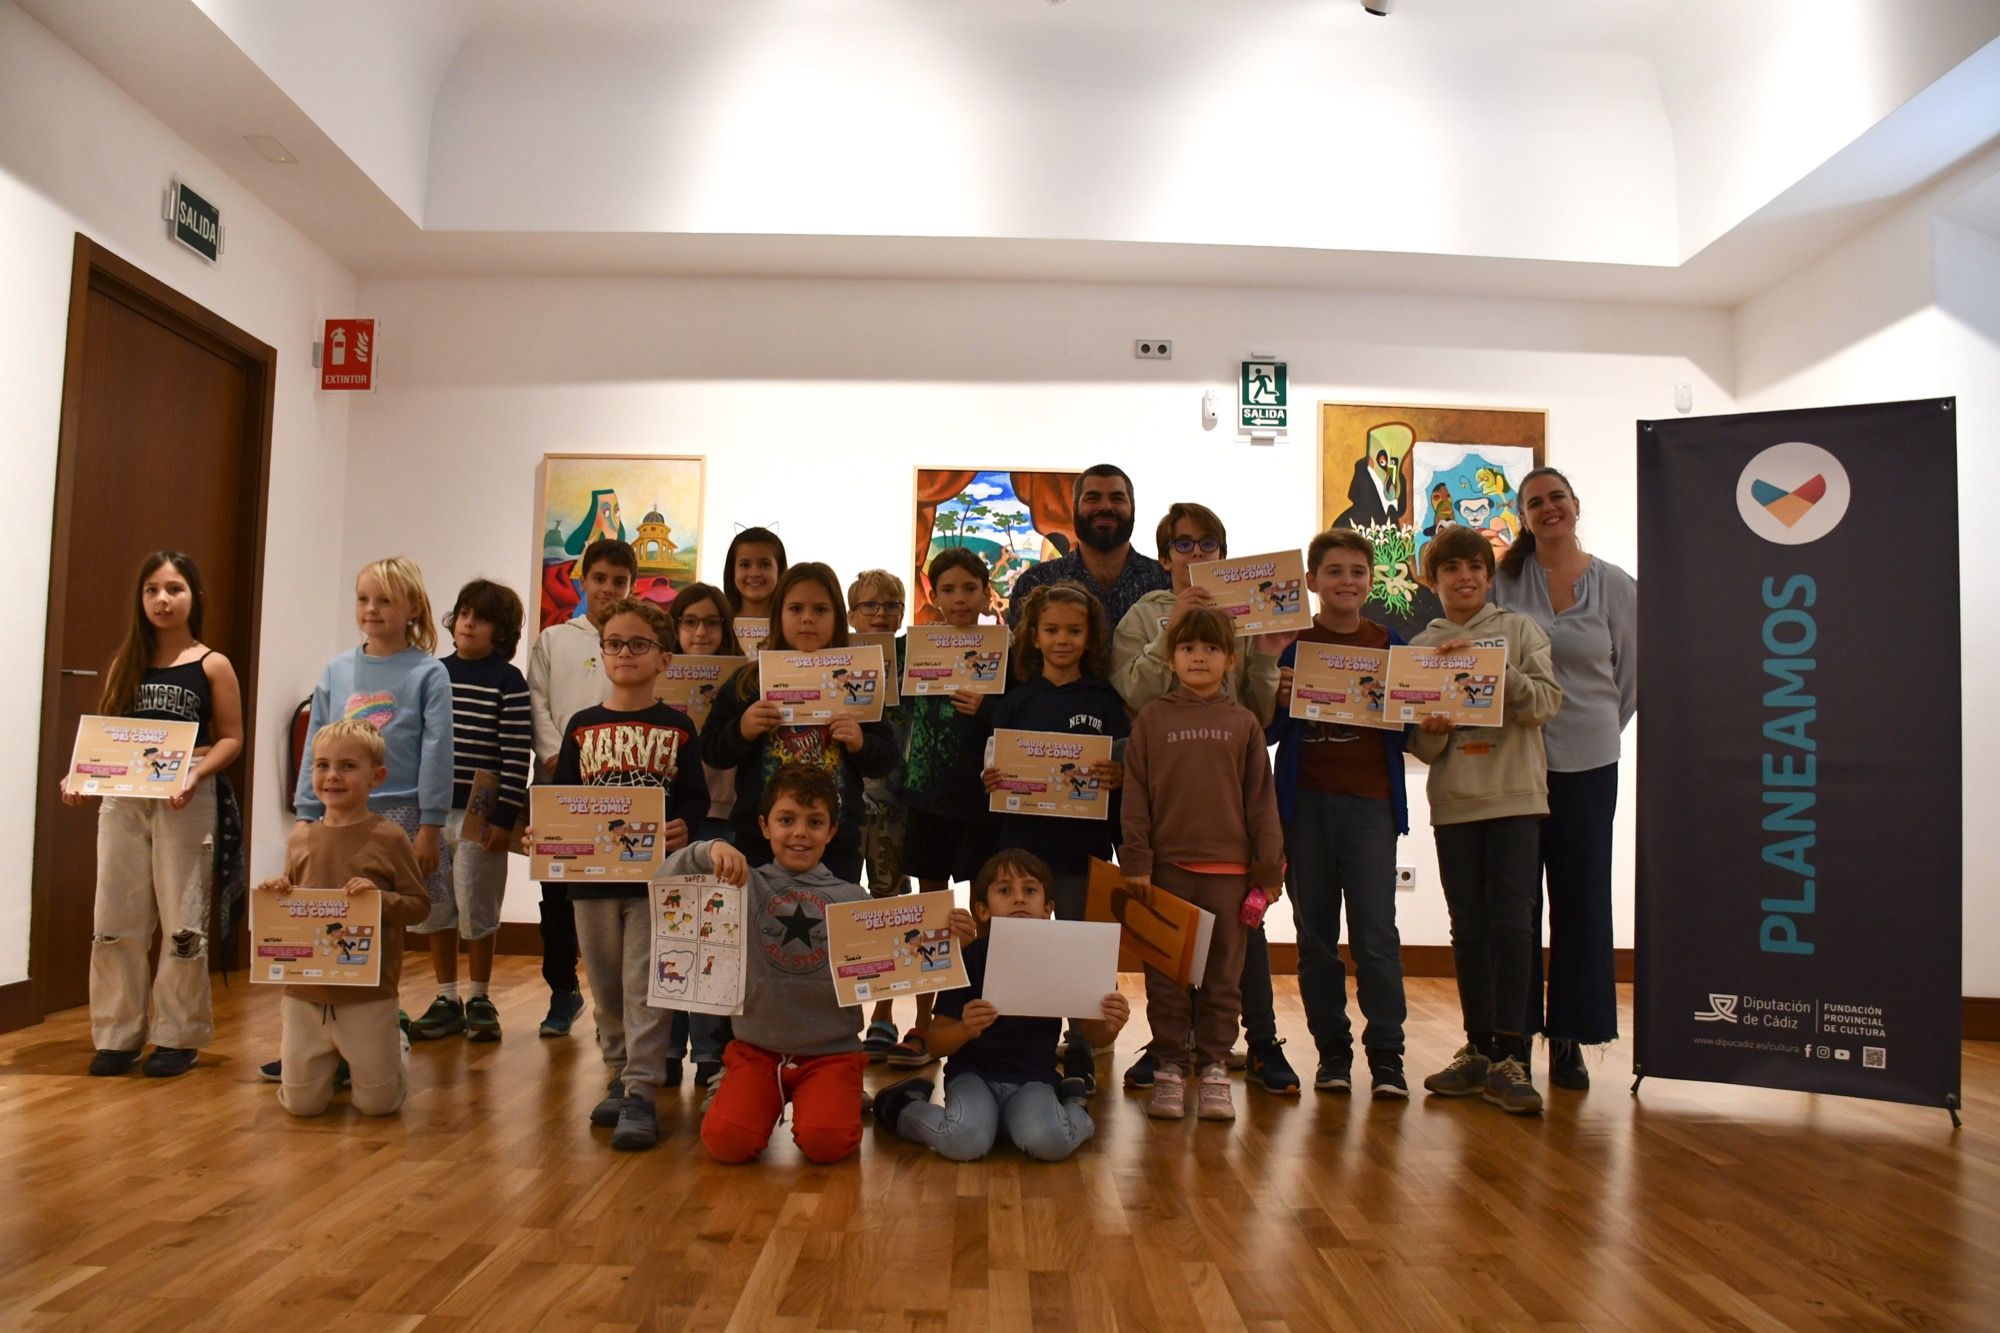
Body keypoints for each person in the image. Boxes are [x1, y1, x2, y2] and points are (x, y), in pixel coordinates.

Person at [699, 766, 975, 1164]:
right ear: (764, 825)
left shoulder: (853, 898)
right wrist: (709, 849)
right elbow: (668, 877)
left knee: (828, 1144)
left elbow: (901, 961)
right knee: (726, 1142)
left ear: (831, 831)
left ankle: (847, 1094)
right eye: (786, 820)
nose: (799, 833)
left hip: (831, 1053)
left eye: (815, 822)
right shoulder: (744, 884)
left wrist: (950, 939)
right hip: (757, 1050)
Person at [1110, 502, 1290, 1096]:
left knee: (1227, 966)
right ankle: (1168, 1053)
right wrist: (1171, 626)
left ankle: (1222, 1053)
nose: (1196, 554)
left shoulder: (1240, 616)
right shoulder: (1145, 613)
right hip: (1167, 817)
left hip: (1227, 835)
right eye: (1184, 545)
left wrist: (1263, 657)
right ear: (1164, 557)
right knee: (1166, 960)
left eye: (1208, 544)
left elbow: (1255, 718)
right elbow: (1129, 691)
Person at [263, 556, 451, 1083]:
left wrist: (430, 822)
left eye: (385, 600)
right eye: (364, 598)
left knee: (381, 928)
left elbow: (439, 749)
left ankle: (376, 1035)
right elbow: (316, 746)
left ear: (412, 608)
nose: (372, 609)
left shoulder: (428, 672)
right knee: (326, 919)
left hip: (400, 810)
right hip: (334, 817)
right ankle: (316, 1038)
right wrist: (306, 812)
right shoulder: (337, 669)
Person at [68, 551, 243, 1078]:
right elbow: (105, 737)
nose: (162, 600)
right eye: (152, 590)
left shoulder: (212, 663)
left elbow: (231, 737)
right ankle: (117, 1034)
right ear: (139, 599)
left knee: (182, 921)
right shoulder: (125, 662)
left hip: (185, 799)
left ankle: (177, 1035)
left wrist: (194, 773)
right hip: (123, 802)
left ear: (194, 597)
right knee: (115, 920)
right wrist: (78, 776)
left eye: (174, 589)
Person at [1408, 525, 1562, 1116]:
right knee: (1468, 926)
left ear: (1488, 574)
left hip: (1517, 798)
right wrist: (1433, 730)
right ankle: (1477, 1048)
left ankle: (1513, 1054)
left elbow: (1546, 703)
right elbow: (1421, 749)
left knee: (1512, 925)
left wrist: (1497, 669)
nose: (1464, 577)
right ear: (1434, 579)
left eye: (1474, 566)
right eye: (1451, 569)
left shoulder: (1520, 631)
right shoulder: (1425, 644)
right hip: (1455, 804)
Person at [544, 597, 709, 1151]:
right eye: (614, 642)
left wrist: (685, 826)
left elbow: (696, 799)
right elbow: (560, 801)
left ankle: (641, 1091)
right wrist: (542, 837)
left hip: (653, 884)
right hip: (590, 884)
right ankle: (617, 1073)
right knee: (607, 986)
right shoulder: (580, 727)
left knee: (644, 984)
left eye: (639, 644)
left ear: (664, 658)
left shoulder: (678, 727)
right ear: (602, 652)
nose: (625, 653)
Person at [1493, 467, 1636, 1091]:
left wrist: (1595, 726)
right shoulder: (1502, 583)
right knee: (1518, 902)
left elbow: (1630, 679)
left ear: (1576, 505)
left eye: (1556, 499)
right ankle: (1515, 1036)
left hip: (1589, 763)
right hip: (1518, 763)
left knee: (1580, 900)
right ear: (1523, 515)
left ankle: (1571, 1037)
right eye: (1534, 503)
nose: (1548, 509)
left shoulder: (1617, 587)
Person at [1268, 529, 1411, 1097]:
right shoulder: (1292, 642)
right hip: (1305, 808)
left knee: (1376, 935)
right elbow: (1271, 732)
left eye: (1357, 571)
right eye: (1334, 571)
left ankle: (1388, 1058)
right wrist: (1276, 699)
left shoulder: (1391, 641)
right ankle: (1332, 1053)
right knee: (1316, 937)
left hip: (1372, 807)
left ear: (1371, 580)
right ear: (1311, 582)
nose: (1346, 581)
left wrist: (1429, 717)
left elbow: (1411, 728)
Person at [873, 849, 1128, 1161]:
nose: (1019, 898)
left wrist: (1111, 1024)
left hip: (1034, 1079)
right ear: (982, 909)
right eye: (1005, 890)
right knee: (964, 1142)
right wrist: (965, 1029)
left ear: (1048, 907)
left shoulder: (1063, 956)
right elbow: (937, 1044)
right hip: (973, 1076)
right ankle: (902, 1105)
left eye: (1030, 890)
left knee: (1050, 1143)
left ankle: (1073, 1105)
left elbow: (1094, 1036)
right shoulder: (970, 959)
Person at [982, 581, 1128, 1092]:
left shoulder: (1105, 700)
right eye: (1052, 630)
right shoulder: (1016, 701)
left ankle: (1082, 1047)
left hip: (1080, 850)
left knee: (1076, 950)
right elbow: (993, 765)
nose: (1062, 640)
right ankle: (1017, 1047)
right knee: (1019, 948)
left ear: (1090, 639)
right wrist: (993, 779)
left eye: (1074, 630)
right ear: (1034, 637)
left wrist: (1118, 775)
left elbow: (1121, 767)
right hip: (1022, 847)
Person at [258, 720, 432, 1117]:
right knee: (300, 1106)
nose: (332, 776)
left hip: (368, 993)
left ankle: (396, 1041)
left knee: (378, 1106)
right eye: (322, 765)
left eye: (348, 766)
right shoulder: (301, 837)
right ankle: (331, 1061)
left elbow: (419, 905)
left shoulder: (389, 838)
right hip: (305, 995)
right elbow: (294, 894)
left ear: (377, 777)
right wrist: (279, 891)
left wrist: (381, 900)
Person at [700, 562, 898, 881]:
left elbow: (886, 759)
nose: (807, 618)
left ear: (837, 617)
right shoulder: (748, 683)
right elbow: (711, 750)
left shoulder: (857, 680)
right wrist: (742, 730)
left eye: (820, 609)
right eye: (796, 608)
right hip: (760, 840)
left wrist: (861, 743)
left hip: (836, 842)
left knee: (830, 928)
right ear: (778, 614)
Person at [884, 548, 999, 1068]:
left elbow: (1012, 715)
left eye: (968, 588)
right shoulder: (910, 649)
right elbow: (888, 705)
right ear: (932, 594)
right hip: (925, 792)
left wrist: (988, 704)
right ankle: (923, 1023)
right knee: (931, 915)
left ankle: (974, 1018)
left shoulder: (1005, 651)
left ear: (984, 591)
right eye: (947, 589)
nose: (958, 599)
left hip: (980, 797)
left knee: (980, 916)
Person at [410, 579, 532, 1044]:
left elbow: (516, 752)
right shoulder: (433, 673)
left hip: (480, 818)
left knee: (478, 906)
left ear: (500, 631)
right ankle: (446, 998)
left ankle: (480, 996)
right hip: (433, 814)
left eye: (480, 617)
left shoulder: (508, 680)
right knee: (437, 906)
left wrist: (504, 818)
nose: (467, 622)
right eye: (463, 612)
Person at [526, 536, 635, 1037]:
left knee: (614, 897)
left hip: (620, 782)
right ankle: (562, 991)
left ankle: (617, 1003)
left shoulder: (635, 641)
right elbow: (537, 701)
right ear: (582, 580)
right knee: (558, 896)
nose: (609, 589)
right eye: (600, 579)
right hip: (559, 779)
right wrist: (556, 755)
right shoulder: (555, 639)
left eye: (620, 581)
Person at [664, 580, 743, 1089]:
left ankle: (711, 1050)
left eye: (711, 622)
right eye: (689, 621)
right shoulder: (658, 673)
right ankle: (669, 1046)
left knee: (715, 937)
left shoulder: (742, 680)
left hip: (727, 815)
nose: (700, 631)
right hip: (674, 820)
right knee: (673, 933)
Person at [846, 568, 915, 1060]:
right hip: (845, 800)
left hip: (898, 799)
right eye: (871, 606)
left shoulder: (917, 657)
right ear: (851, 614)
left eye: (891, 605)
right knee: (848, 904)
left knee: (889, 904)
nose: (881, 614)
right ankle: (843, 1009)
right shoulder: (835, 658)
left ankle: (885, 1016)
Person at [1004, 464, 1170, 629]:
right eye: (1093, 498)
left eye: (1117, 498)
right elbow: (1019, 653)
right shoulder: (1036, 582)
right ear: (1075, 509)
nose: (1105, 507)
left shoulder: (1164, 581)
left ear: (1132, 508)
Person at [722, 526, 787, 628]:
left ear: (780, 571)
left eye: (765, 564)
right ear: (732, 571)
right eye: (745, 565)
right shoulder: (720, 624)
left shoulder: (790, 625)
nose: (754, 573)